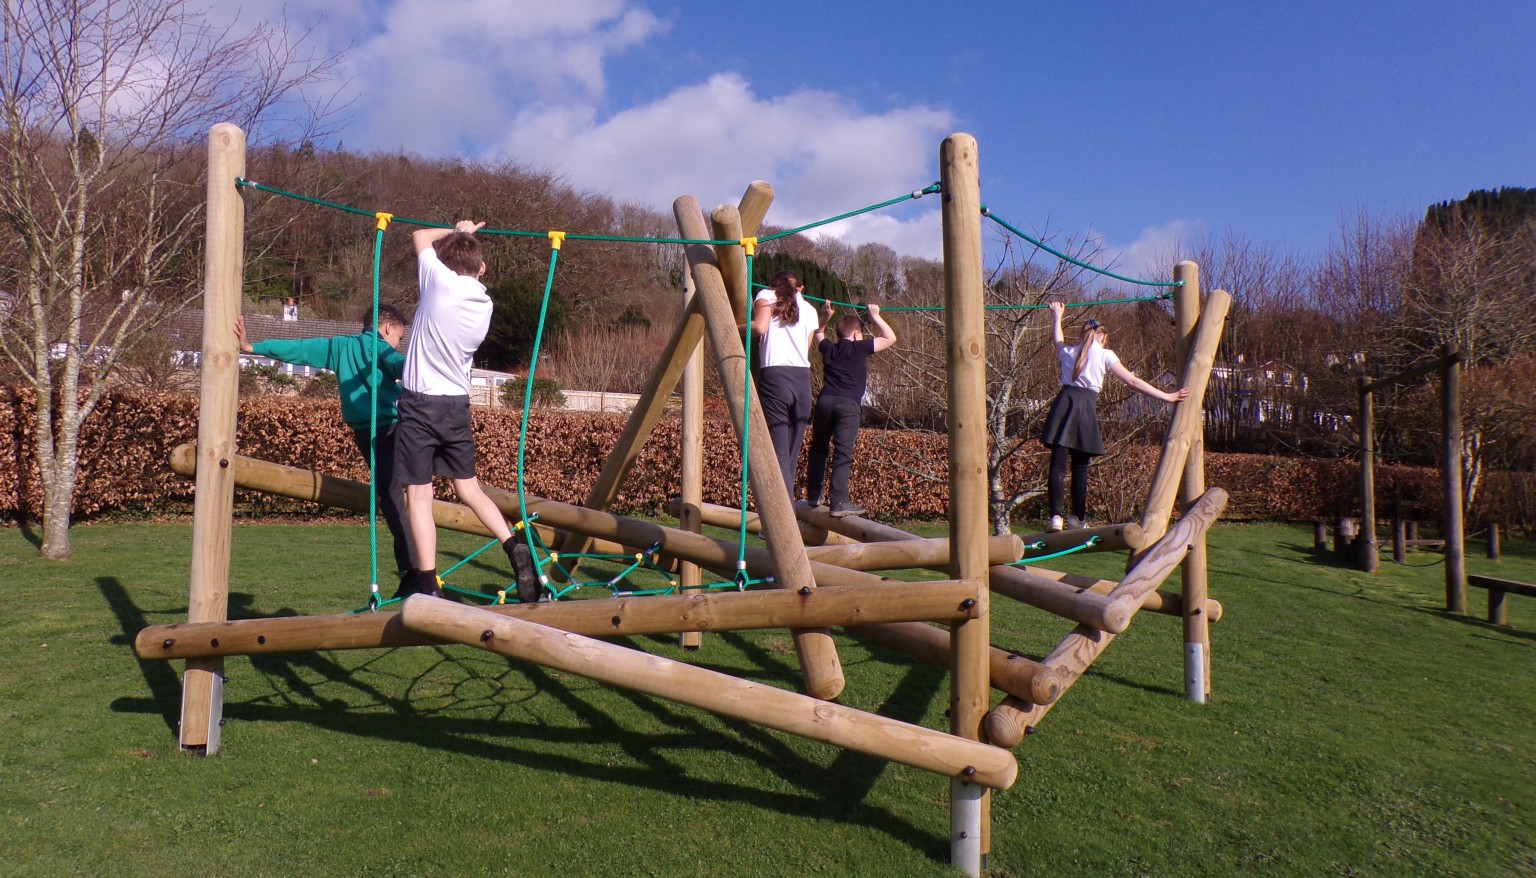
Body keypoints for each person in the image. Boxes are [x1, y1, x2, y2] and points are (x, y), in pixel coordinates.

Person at [392, 219, 539, 604]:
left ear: (443, 261)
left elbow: (420, 237)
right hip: (456, 405)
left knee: (419, 498)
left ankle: (426, 582)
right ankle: (513, 546)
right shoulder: (484, 303)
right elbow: (437, 251)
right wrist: (465, 236)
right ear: (483, 269)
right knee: (468, 489)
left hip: (420, 403)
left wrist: (455, 231)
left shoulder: (437, 282)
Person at [235, 305, 416, 577]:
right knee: (400, 493)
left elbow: (299, 350)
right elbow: (399, 365)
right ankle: (414, 567)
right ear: (388, 328)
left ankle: (411, 566)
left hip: (365, 433)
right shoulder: (380, 349)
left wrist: (253, 347)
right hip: (391, 428)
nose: (397, 344)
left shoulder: (340, 346)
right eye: (399, 339)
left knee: (392, 496)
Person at [1039, 300, 1189, 532]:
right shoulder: (1106, 355)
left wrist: (1057, 316)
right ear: (1104, 336)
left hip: (1064, 405)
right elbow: (1133, 381)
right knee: (1080, 466)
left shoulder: (1069, 352)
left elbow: (1057, 341)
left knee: (1058, 465)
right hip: (1085, 408)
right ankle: (1076, 517)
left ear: (1082, 335)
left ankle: (1055, 518)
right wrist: (1167, 397)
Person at [804, 302, 896, 517]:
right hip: (848, 406)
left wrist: (825, 317)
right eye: (862, 335)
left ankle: (814, 495)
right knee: (842, 453)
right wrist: (875, 316)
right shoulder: (859, 348)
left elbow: (818, 333)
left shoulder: (829, 348)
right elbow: (890, 338)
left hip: (825, 402)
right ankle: (839, 502)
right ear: (856, 335)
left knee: (818, 448)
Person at [751, 269, 819, 498]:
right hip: (802, 381)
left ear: (774, 284)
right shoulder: (810, 310)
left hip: (775, 378)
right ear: (800, 287)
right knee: (790, 456)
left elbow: (759, 328)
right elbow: (805, 349)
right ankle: (785, 521)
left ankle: (782, 525)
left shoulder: (766, 296)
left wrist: (732, 328)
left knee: (778, 456)